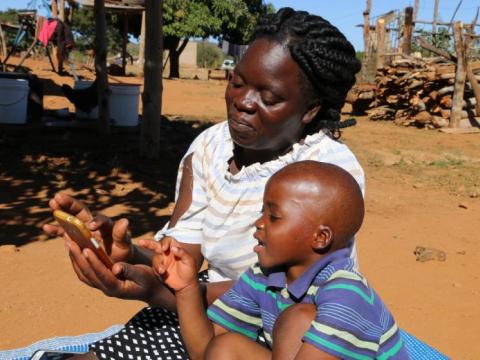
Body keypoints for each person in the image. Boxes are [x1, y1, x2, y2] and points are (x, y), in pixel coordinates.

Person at [42, 7, 364, 359]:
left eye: (268, 98)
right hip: (207, 297)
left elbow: (273, 292)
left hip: (287, 319)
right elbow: (181, 255)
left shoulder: (325, 172)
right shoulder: (211, 147)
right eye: (237, 82)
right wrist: (128, 256)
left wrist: (166, 292)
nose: (242, 102)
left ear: (309, 110)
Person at [142, 161, 409, 360]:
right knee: (226, 347)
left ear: (320, 237)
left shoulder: (346, 294)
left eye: (274, 217)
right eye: (261, 213)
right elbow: (205, 352)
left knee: (298, 319)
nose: (258, 224)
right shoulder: (263, 276)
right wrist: (186, 288)